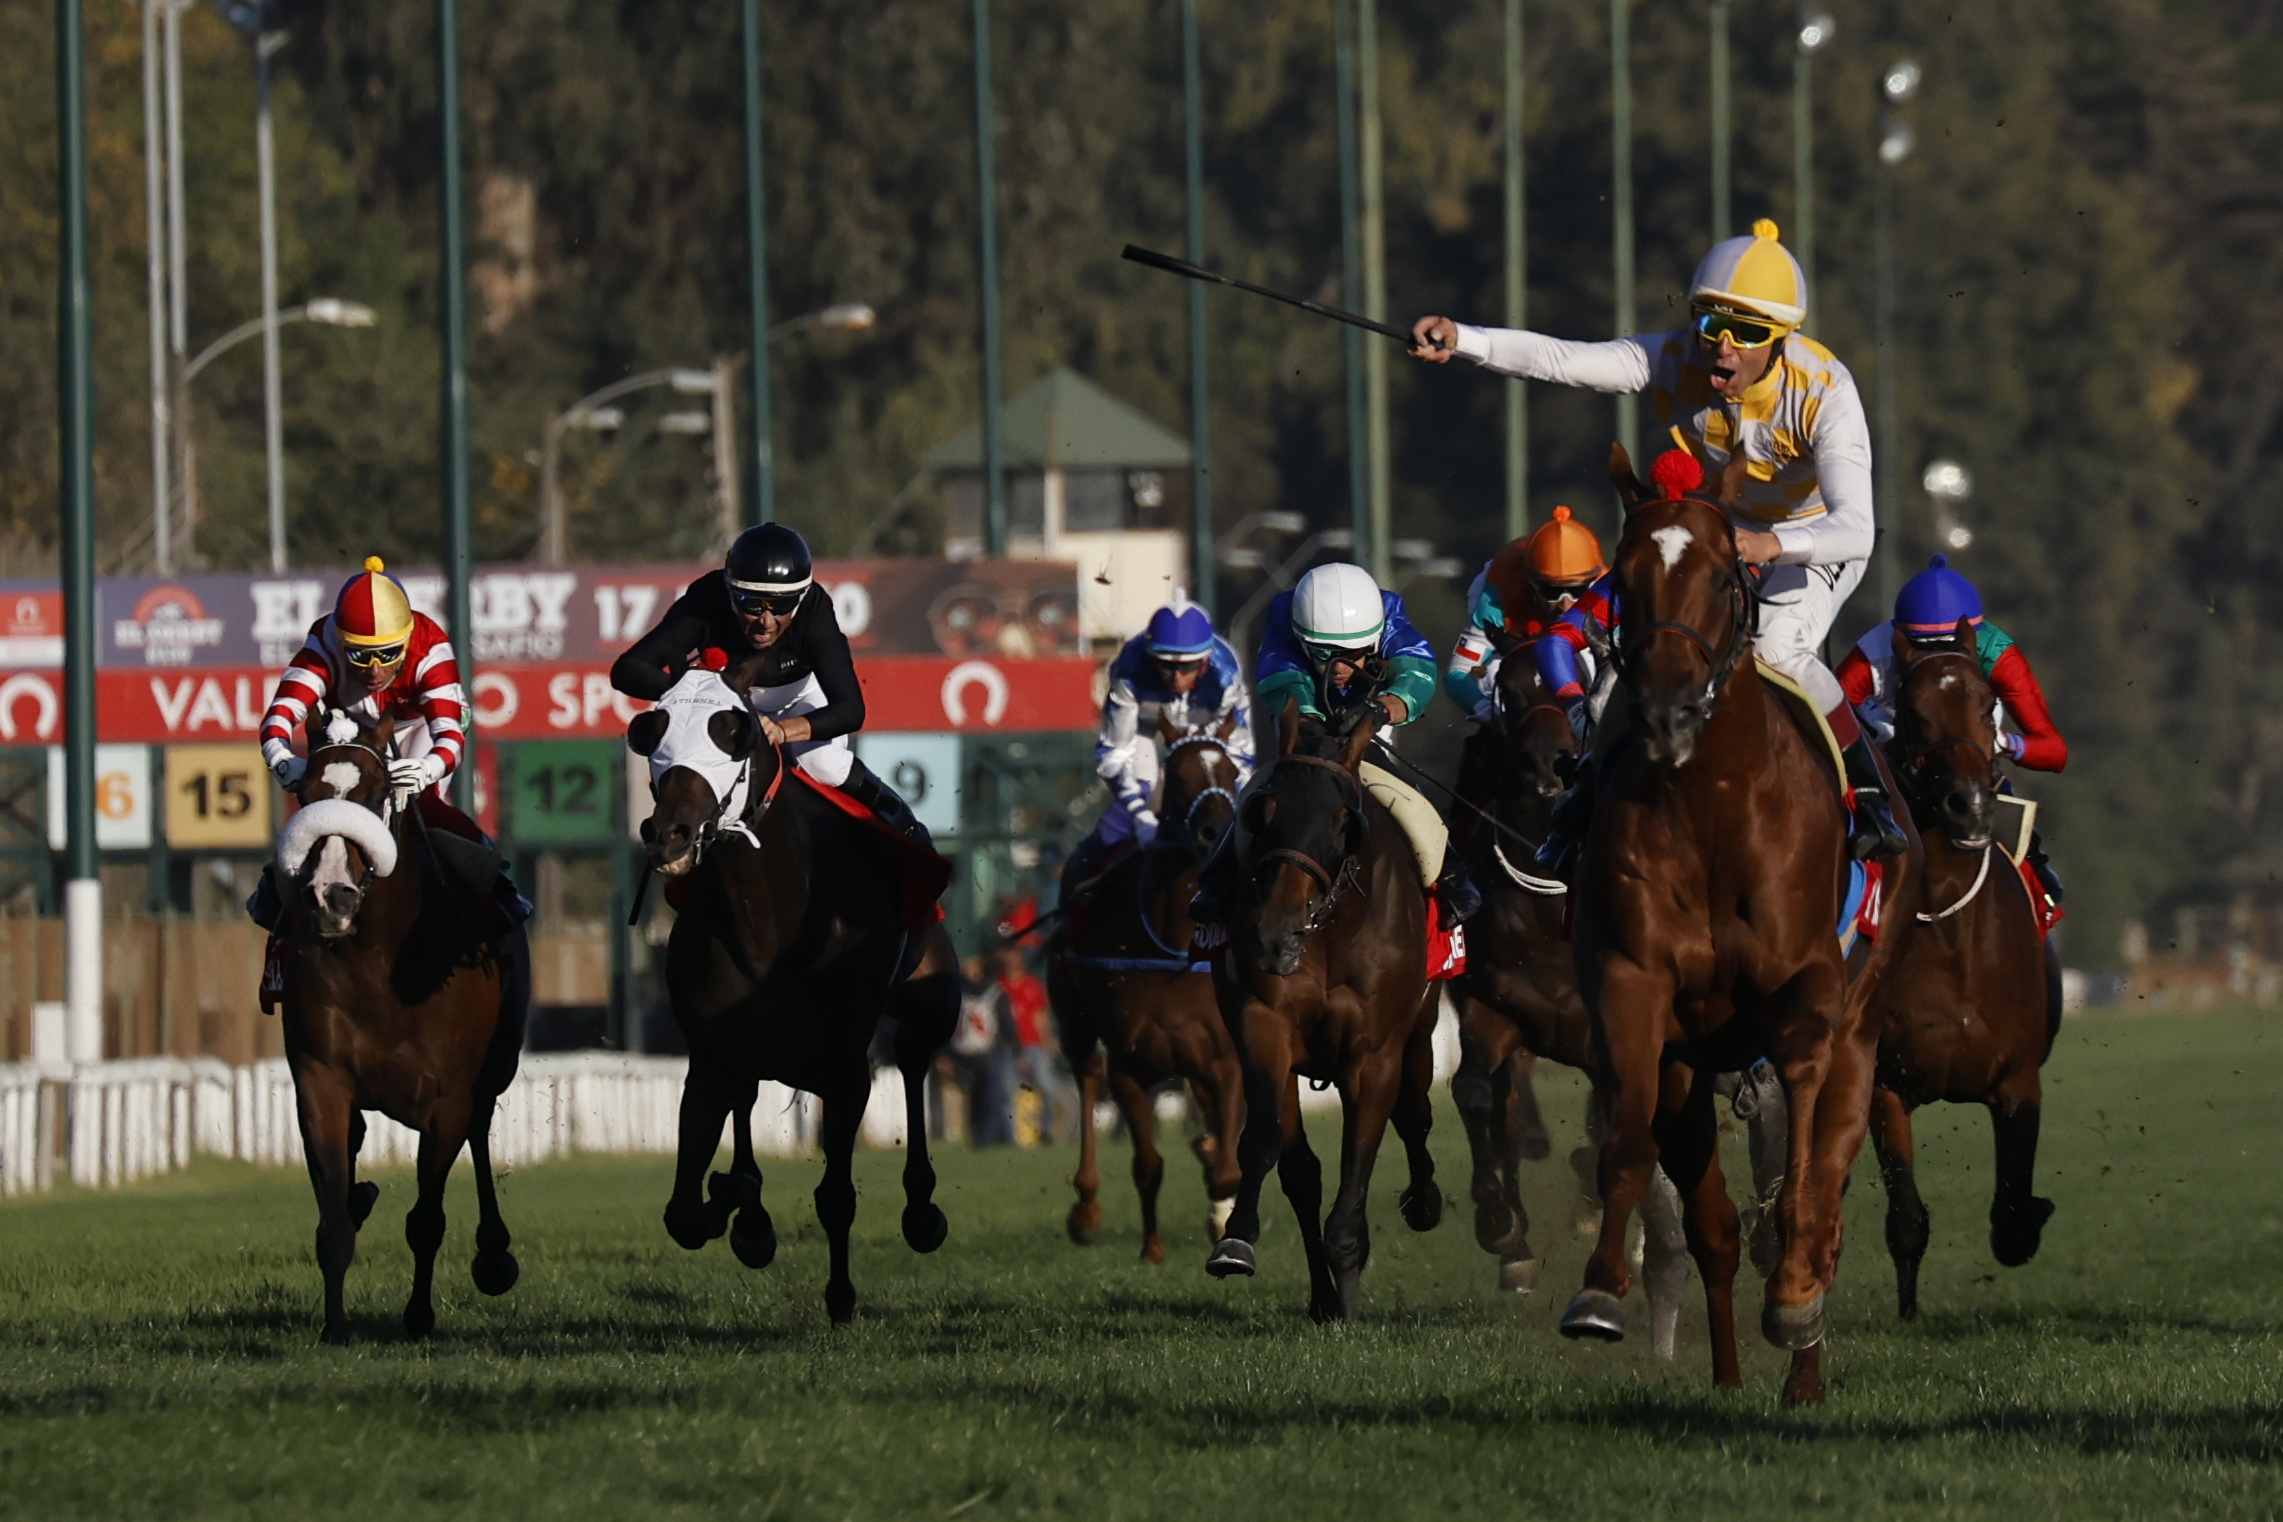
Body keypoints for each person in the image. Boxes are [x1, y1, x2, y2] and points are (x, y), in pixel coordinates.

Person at [1410, 218, 1906, 862]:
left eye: (1749, 334)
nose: (1723, 349)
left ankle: (1868, 789)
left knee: (1777, 648)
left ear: (1783, 339)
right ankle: (1584, 800)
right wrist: (1465, 339)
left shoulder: (1827, 393)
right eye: (1710, 325)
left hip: (1811, 541)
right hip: (1715, 536)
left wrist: (1767, 546)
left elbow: (1855, 527)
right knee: (1635, 654)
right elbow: (1561, 359)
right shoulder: (1671, 360)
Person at [247, 558, 526, 994]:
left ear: (407, 640)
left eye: (388, 653)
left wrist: (428, 769)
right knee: (317, 817)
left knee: (429, 812)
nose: (374, 668)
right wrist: (285, 763)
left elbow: (449, 737)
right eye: (360, 654)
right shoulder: (322, 644)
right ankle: (280, 939)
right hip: (350, 733)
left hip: (415, 731)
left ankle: (498, 891)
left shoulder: (430, 649)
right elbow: (277, 719)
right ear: (342, 643)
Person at [1190, 561, 1482, 925]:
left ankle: (1453, 874)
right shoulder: (1283, 616)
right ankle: (1216, 879)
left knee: (1407, 795)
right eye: (1324, 653)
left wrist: (1378, 709)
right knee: (1256, 792)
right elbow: (1283, 678)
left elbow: (1416, 671)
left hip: (1368, 727)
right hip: (1303, 732)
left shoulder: (1389, 612)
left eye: (1353, 653)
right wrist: (1310, 720)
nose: (1340, 667)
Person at [610, 523, 931, 845]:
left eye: (781, 606)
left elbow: (850, 710)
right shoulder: (705, 601)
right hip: (722, 704)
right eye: (751, 604)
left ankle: (903, 823)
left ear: (801, 596)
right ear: (731, 594)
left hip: (798, 697)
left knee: (824, 765)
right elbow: (628, 669)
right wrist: (692, 697)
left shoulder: (815, 611)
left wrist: (783, 730)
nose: (766, 621)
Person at [1838, 555, 2068, 904]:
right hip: (1895, 755)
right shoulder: (1872, 653)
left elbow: (2054, 752)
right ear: (1901, 637)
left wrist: (2000, 741)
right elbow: (1831, 710)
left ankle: (2037, 890)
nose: (1941, 657)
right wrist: (1882, 736)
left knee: (2033, 874)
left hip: (1974, 758)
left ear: (1974, 637)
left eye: (1952, 646)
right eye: (1925, 647)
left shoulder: (1997, 652)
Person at [1064, 594, 1253, 890]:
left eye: (1187, 667)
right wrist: (1138, 813)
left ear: (1204, 663)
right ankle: (1078, 896)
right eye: (1164, 665)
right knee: (1131, 805)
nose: (1176, 678)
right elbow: (1115, 751)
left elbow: (1240, 754)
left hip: (1206, 729)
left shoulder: (1225, 676)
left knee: (1217, 796)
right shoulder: (1130, 670)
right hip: (1143, 726)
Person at [1444, 505, 1607, 725]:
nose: (1565, 606)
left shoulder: (1607, 594)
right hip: (1515, 639)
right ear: (1531, 584)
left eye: (1577, 591)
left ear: (1593, 583)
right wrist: (1484, 708)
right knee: (1491, 674)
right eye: (1552, 592)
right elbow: (1459, 673)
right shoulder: (1501, 591)